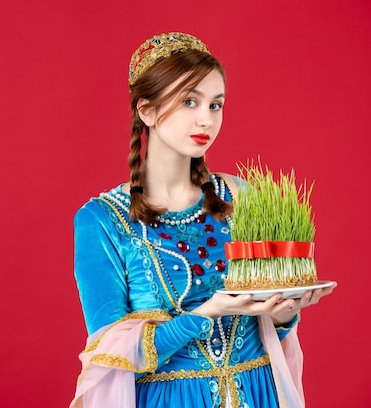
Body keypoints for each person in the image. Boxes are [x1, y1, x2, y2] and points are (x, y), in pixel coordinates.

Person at [70, 32, 335, 408]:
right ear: (147, 111)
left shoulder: (242, 197)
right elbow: (111, 353)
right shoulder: (102, 220)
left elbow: (265, 320)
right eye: (189, 101)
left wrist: (283, 314)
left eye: (215, 105)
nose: (205, 119)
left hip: (258, 391)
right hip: (170, 399)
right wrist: (209, 310)